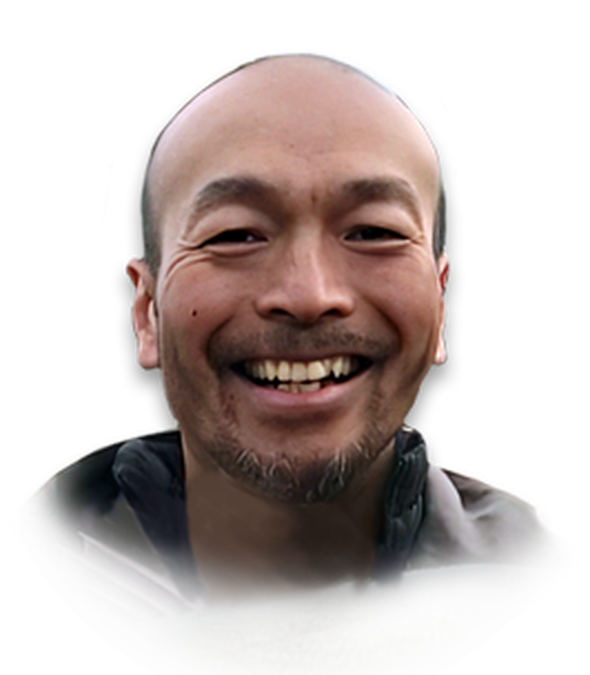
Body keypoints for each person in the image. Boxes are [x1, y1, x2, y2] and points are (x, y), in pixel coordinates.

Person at [6, 51, 578, 639]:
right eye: (236, 235)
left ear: (441, 306)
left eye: (373, 232)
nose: (309, 295)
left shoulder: (536, 579)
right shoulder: (44, 565)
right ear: (147, 312)